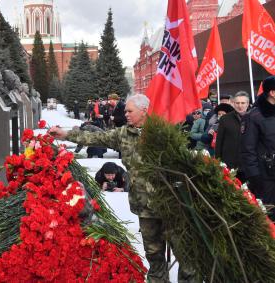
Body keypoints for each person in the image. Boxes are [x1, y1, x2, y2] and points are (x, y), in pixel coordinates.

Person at [49, 94, 197, 282]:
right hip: (144, 206)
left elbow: (183, 161)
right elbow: (96, 137)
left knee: (185, 254)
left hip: (170, 203)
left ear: (144, 111)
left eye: (129, 111)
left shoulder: (162, 132)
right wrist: (66, 134)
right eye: (125, 111)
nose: (125, 114)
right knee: (154, 253)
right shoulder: (123, 134)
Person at [241, 76, 275, 221]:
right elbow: (248, 149)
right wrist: (255, 177)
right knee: (268, 216)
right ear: (272, 92)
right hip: (266, 176)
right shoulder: (254, 116)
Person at [216, 91, 250, 181]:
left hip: (247, 165)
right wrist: (218, 162)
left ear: (247, 104)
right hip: (229, 165)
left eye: (243, 103)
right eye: (237, 103)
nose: (240, 105)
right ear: (233, 104)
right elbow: (219, 142)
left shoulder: (254, 118)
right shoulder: (225, 119)